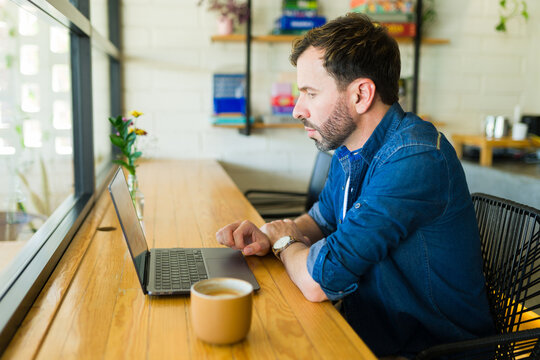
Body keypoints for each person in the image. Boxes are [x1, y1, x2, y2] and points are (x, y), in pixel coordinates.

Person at [216, 13, 495, 358]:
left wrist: (285, 242)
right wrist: (270, 233)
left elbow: (319, 283)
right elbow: (320, 221)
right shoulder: (350, 148)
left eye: (310, 93)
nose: (297, 110)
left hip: (427, 350)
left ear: (361, 94)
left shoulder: (414, 159)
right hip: (369, 333)